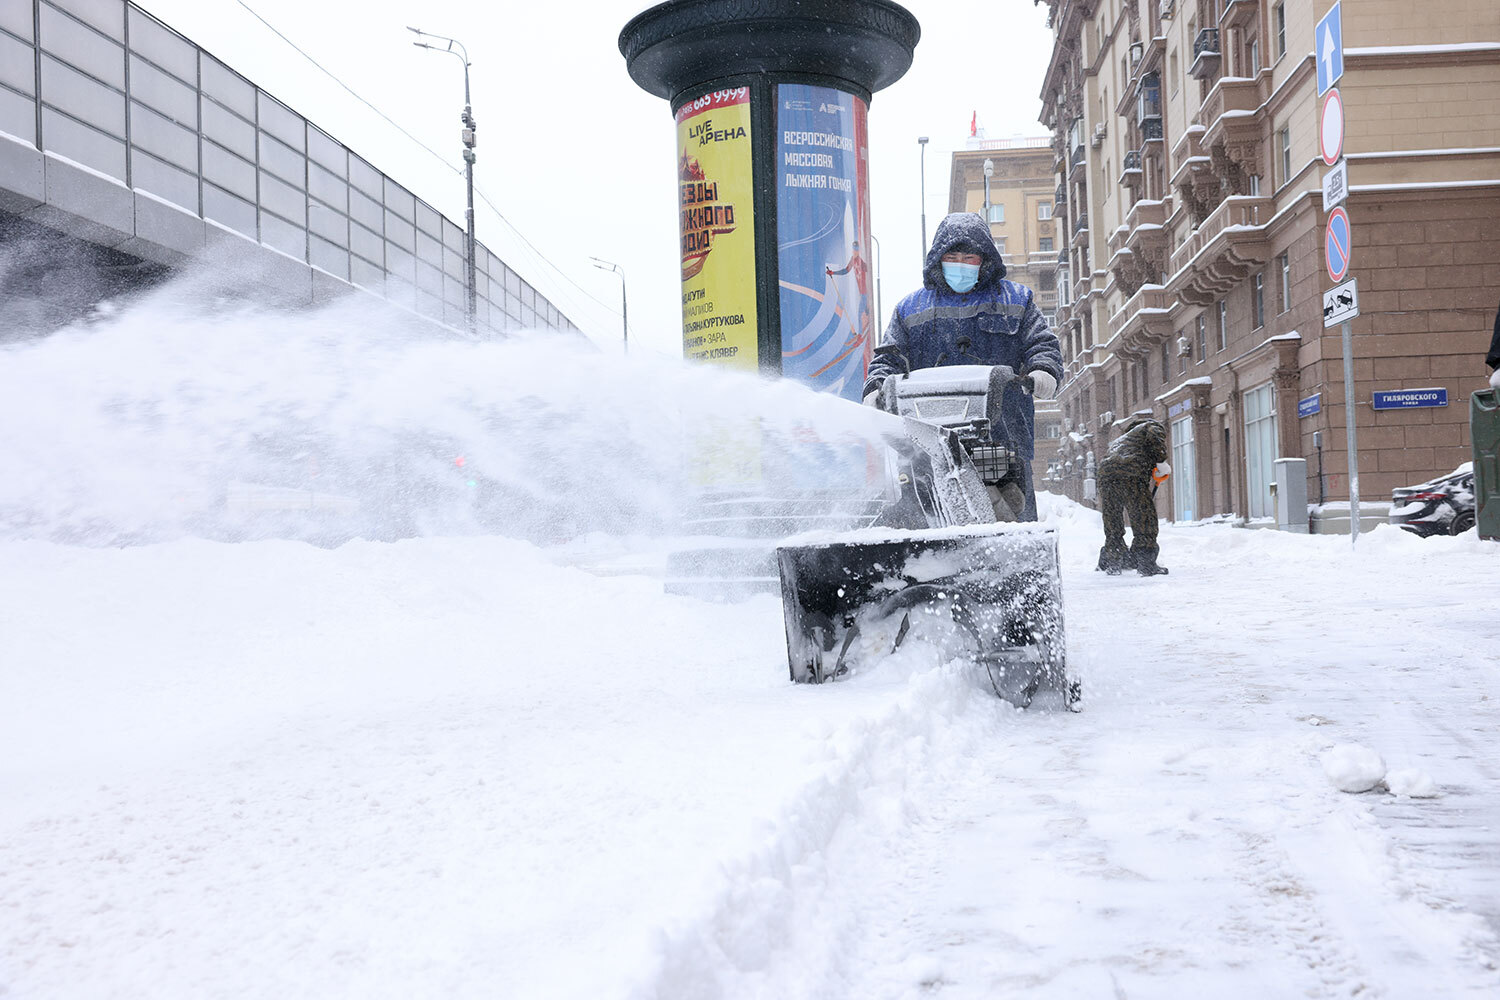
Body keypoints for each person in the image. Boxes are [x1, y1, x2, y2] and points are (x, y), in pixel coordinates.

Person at [863, 212, 1063, 522]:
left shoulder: (1016, 301)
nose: (960, 264)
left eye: (969, 257)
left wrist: (1043, 371)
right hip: (928, 440)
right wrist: (876, 387)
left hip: (1001, 435)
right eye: (952, 257)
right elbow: (889, 358)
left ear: (984, 260)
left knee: (1012, 511)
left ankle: (1016, 550)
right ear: (938, 260)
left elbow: (1042, 343)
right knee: (925, 516)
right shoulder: (911, 309)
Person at [1095, 416, 1171, 576]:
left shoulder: (1123, 440)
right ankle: (1145, 562)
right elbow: (1154, 434)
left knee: (1112, 518)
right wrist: (1161, 461)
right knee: (1144, 516)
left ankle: (1114, 561)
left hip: (1106, 475)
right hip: (1130, 474)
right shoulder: (1149, 426)